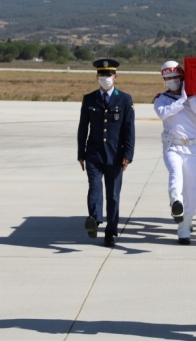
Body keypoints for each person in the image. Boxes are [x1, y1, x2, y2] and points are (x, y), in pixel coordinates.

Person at [77, 58, 135, 248]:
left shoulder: (124, 99)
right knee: (94, 188)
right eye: (101, 74)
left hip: (115, 155)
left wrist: (128, 155)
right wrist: (81, 153)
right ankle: (94, 220)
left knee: (113, 195)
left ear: (115, 76)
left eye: (108, 74)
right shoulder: (89, 99)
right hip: (94, 154)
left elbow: (129, 129)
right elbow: (83, 128)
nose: (105, 77)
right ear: (97, 77)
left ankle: (110, 232)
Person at [153, 61, 196, 245]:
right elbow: (163, 113)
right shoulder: (162, 99)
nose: (172, 81)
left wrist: (192, 100)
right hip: (173, 146)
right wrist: (181, 100)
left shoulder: (193, 99)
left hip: (192, 148)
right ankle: (175, 201)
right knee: (175, 173)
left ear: (182, 78)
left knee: (192, 186)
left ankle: (185, 225)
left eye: (175, 77)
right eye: (168, 78)